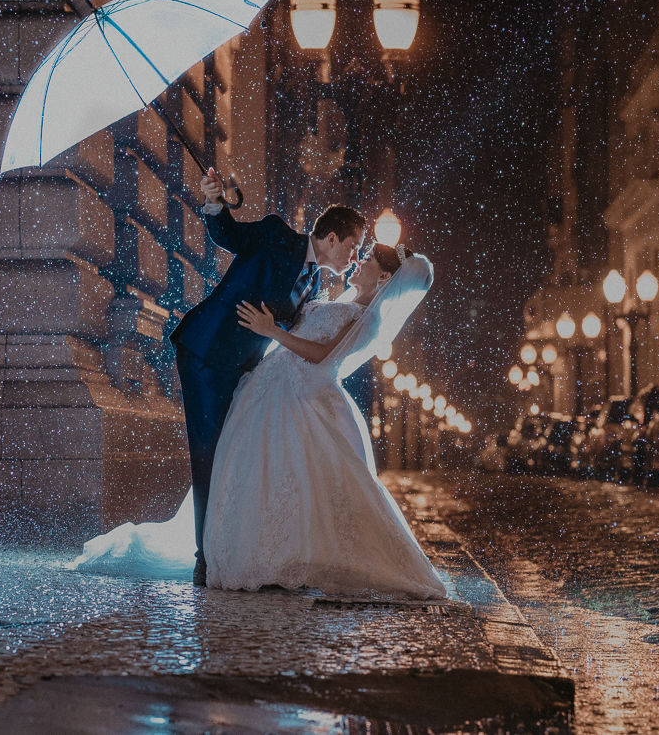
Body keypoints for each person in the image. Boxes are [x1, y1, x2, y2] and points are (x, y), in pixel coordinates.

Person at [68, 240, 446, 600]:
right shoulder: (345, 300)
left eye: (367, 261)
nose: (358, 262)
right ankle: (250, 548)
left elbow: (322, 356)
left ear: (383, 279)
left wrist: (272, 332)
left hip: (301, 400)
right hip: (270, 389)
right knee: (255, 472)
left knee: (290, 477)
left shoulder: (368, 319)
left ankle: (280, 556)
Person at [168, 169, 363, 586]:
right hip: (207, 352)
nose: (354, 257)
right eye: (352, 246)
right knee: (209, 453)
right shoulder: (278, 235)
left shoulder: (312, 281)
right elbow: (229, 236)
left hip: (242, 368)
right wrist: (214, 202)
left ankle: (229, 546)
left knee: (233, 454)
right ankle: (206, 558)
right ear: (331, 239)